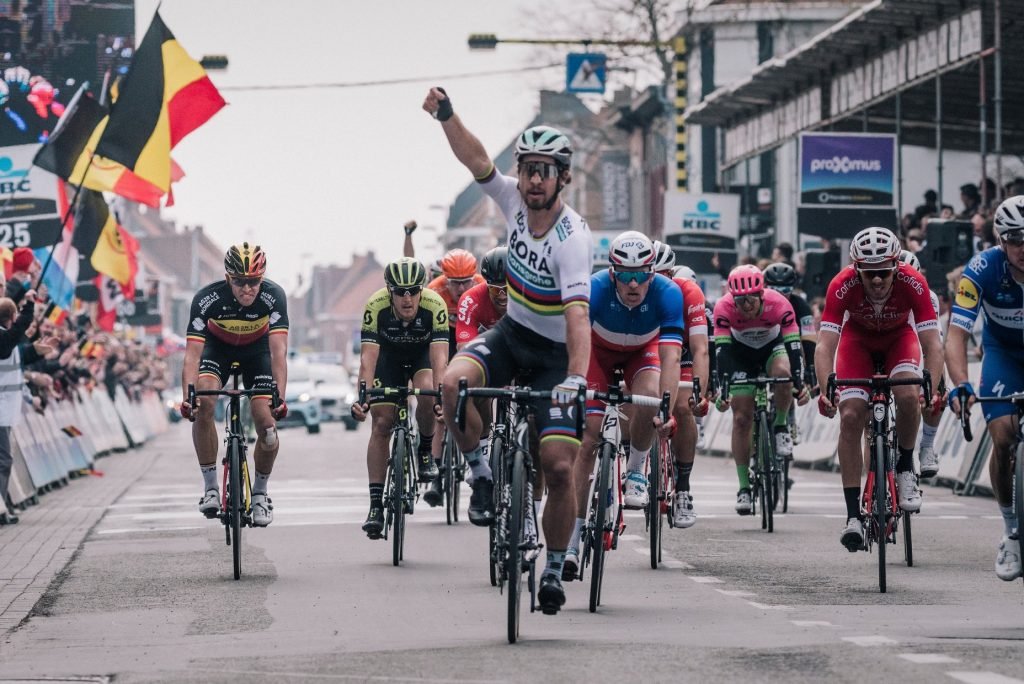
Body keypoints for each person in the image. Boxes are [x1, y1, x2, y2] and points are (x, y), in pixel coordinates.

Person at [424, 87, 593, 615]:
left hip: (552, 354)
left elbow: (578, 316)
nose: (535, 179)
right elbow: (475, 158)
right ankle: (479, 473)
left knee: (559, 468)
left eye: (546, 170)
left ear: (562, 177)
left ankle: (554, 567)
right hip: (511, 335)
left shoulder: (572, 238)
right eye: (528, 169)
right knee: (451, 384)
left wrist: (575, 378)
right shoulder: (513, 201)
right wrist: (447, 114)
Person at [815, 227, 944, 551]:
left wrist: (931, 385)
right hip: (856, 344)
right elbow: (825, 346)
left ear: (896, 267)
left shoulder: (913, 282)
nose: (876, 281)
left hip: (899, 341)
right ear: (856, 269)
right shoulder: (841, 286)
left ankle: (903, 466)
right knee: (850, 416)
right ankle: (852, 516)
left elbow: (932, 343)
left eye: (883, 272)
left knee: (907, 394)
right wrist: (824, 388)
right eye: (868, 274)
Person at [564, 232, 682, 579]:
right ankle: (572, 538)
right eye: (625, 275)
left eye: (642, 275)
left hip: (640, 354)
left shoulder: (668, 293)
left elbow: (671, 356)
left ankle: (635, 470)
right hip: (596, 355)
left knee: (649, 398)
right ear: (612, 272)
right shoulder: (594, 289)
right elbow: (576, 342)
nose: (634, 283)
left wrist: (667, 408)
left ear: (652, 272)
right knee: (588, 440)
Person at [180, 243, 289, 527]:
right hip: (219, 351)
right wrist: (187, 397)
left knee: (266, 424)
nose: (247, 289)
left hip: (258, 353)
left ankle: (261, 494)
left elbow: (279, 352)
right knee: (204, 400)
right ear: (228, 277)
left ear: (262, 279)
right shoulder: (207, 298)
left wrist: (280, 397)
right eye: (240, 281)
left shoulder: (274, 296)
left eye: (254, 281)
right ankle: (211, 488)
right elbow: (192, 355)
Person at [946, 195, 1024, 580]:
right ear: (999, 239)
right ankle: (1011, 529)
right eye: (1014, 238)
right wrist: (961, 383)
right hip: (1004, 354)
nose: (1023, 247)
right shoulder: (981, 268)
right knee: (1004, 435)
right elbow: (956, 333)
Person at [349, 257, 449, 538]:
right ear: (389, 291)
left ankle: (425, 450)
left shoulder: (434, 305)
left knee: (428, 391)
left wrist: (441, 399)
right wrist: (363, 399)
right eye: (400, 292)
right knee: (382, 424)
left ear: (421, 290)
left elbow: (440, 359)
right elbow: (367, 360)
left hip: (421, 358)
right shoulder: (375, 305)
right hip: (387, 360)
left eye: (413, 291)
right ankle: (375, 507)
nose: (407, 298)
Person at [714, 264, 808, 515]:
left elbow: (795, 346)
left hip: (771, 348)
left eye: (751, 300)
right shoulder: (723, 308)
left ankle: (779, 426)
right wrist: (722, 389)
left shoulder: (779, 304)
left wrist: (800, 383)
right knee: (742, 418)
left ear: (762, 295)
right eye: (740, 301)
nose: (746, 306)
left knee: (782, 373)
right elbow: (721, 354)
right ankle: (744, 488)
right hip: (740, 354)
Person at [423, 245, 508, 507]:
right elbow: (450, 345)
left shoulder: (488, 287)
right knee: (445, 400)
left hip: (487, 336)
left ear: (475, 278)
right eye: (454, 283)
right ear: (444, 279)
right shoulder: (434, 292)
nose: (460, 289)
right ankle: (437, 472)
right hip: (447, 338)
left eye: (465, 282)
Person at [654, 244, 710, 528]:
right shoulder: (634, 287)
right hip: (647, 348)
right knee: (630, 398)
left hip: (683, 351)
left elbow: (700, 349)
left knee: (684, 405)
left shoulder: (689, 292)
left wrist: (700, 393)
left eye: (663, 275)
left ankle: (684, 488)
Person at [897, 249, 942, 478]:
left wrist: (930, 387)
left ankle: (927, 444)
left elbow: (933, 344)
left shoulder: (929, 297)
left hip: (918, 344)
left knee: (938, 383)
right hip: (892, 347)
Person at [0, 292, 36, 525]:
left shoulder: (7, 339)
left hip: (6, 410)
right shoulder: (3, 338)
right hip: (1, 410)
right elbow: (17, 334)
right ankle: (1, 508)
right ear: (12, 316)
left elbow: (18, 354)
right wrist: (30, 304)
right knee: (4, 461)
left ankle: (3, 506)